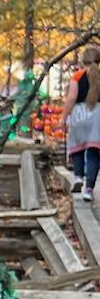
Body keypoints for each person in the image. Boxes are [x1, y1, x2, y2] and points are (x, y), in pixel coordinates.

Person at [63, 46, 100, 200]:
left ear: (83, 60)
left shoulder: (77, 77)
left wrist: (64, 117)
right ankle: (89, 190)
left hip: (79, 114)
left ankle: (78, 177)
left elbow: (72, 98)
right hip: (97, 116)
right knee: (93, 153)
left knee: (77, 149)